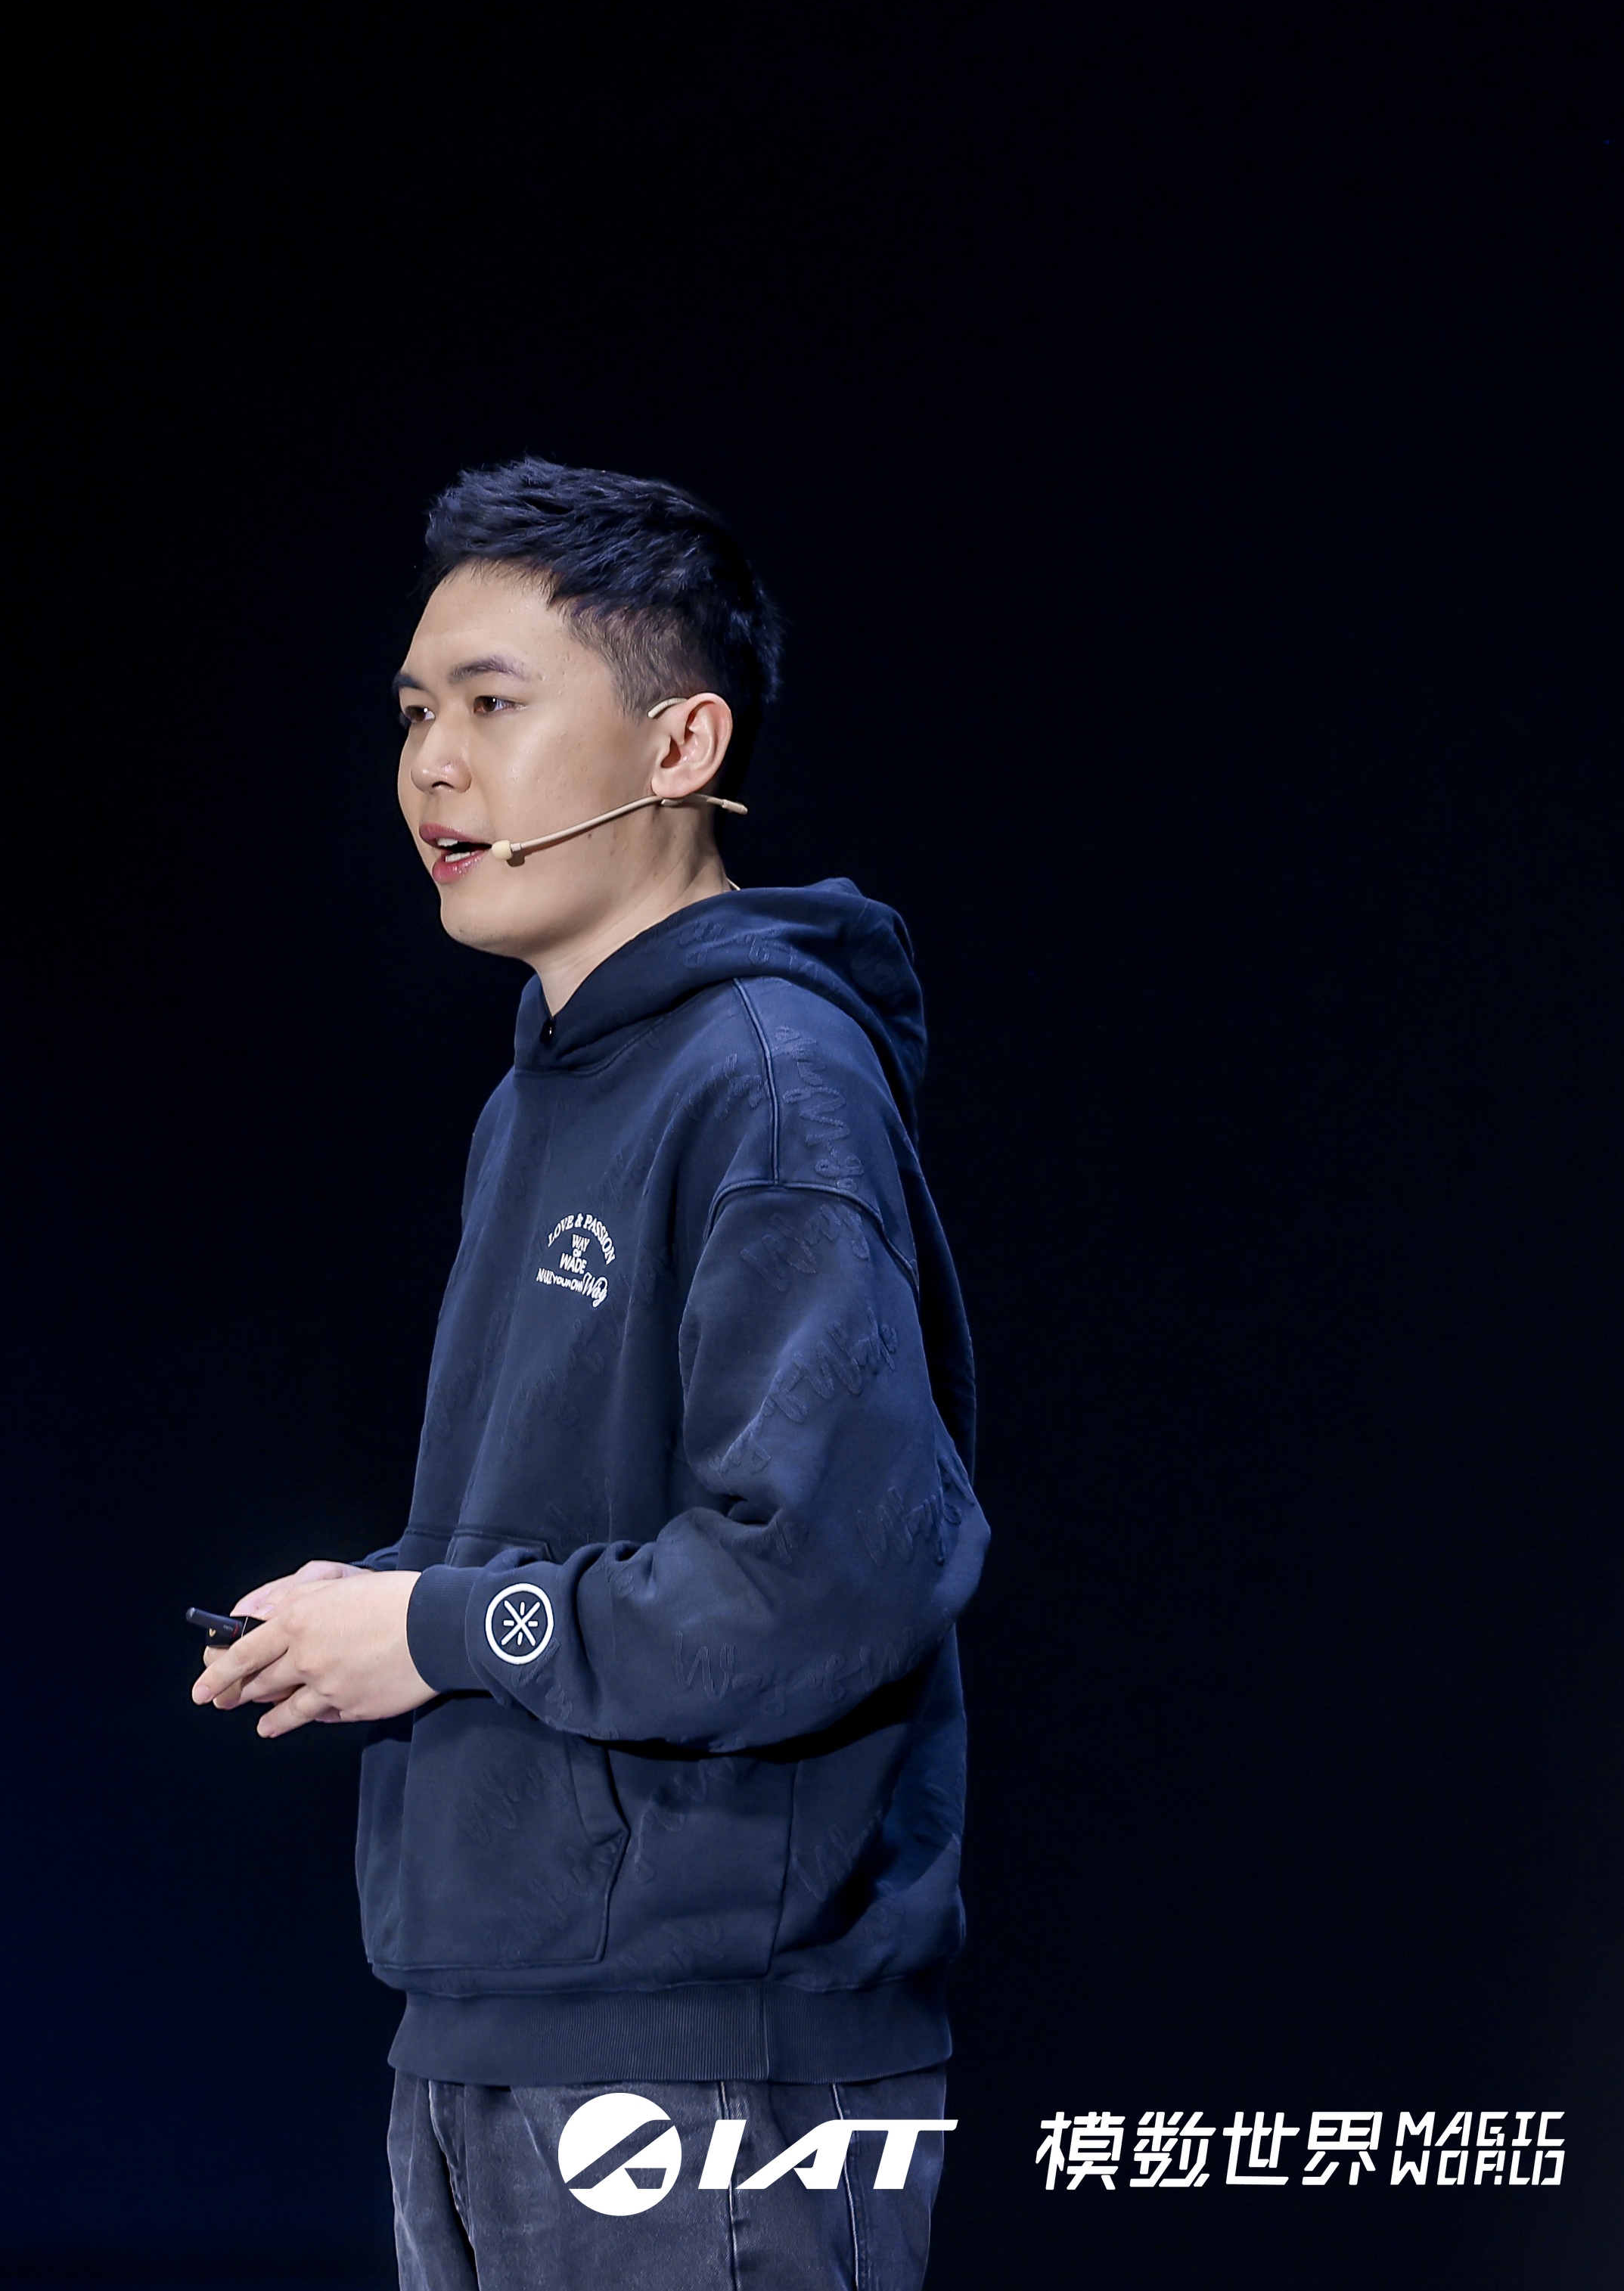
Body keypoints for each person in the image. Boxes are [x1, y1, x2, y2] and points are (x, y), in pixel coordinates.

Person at [194, 460, 986, 2290]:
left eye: (491, 706)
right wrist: (368, 1610)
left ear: (680, 743)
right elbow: (567, 1548)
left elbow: (821, 1580)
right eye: (413, 714)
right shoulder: (542, 1091)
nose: (432, 768)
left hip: (707, 2067)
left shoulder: (770, 1082)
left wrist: (440, 1629)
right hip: (489, 2037)